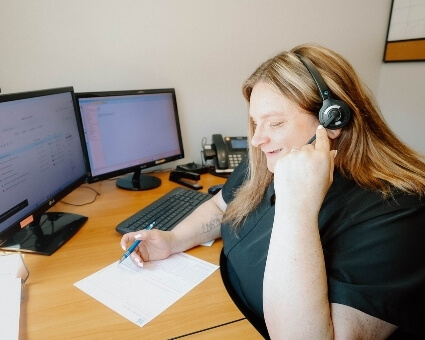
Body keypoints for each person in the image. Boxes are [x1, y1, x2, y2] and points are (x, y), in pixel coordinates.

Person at [120, 43, 425, 339]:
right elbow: (220, 207)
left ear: (333, 120)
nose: (257, 139)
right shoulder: (271, 161)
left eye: (275, 123)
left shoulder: (400, 212)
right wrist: (173, 240)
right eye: (256, 123)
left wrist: (297, 206)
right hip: (219, 302)